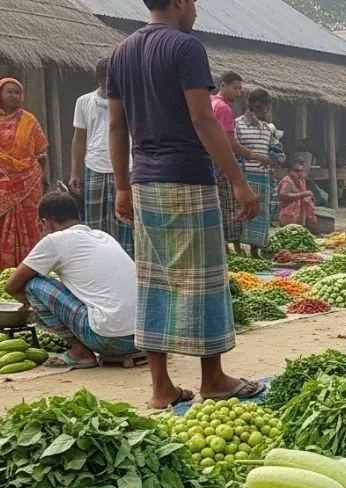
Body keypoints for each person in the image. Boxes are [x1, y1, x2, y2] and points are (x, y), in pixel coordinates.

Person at [107, 0, 263, 408]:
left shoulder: (121, 52)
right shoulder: (185, 46)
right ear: (178, 2)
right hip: (187, 177)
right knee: (205, 279)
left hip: (145, 181)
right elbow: (202, 119)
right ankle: (212, 378)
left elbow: (116, 125)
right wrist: (239, 182)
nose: (195, 9)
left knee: (155, 280)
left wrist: (122, 187)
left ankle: (161, 387)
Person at [5, 191, 137, 368]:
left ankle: (80, 352)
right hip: (143, 338)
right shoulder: (103, 236)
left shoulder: (54, 241)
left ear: (46, 222)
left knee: (34, 284)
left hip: (109, 340)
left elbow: (12, 286)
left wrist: (29, 304)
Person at [0, 78, 48, 275]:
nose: (14, 96)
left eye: (17, 92)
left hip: (27, 183)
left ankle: (27, 268)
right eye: (9, 92)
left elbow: (42, 154)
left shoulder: (29, 120)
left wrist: (40, 178)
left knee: (28, 223)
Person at [71, 57, 130, 257]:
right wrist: (74, 172)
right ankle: (98, 259)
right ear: (99, 79)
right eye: (108, 79)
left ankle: (126, 260)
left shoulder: (130, 101)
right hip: (95, 165)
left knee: (124, 221)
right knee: (95, 222)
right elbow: (79, 139)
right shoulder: (84, 101)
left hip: (125, 167)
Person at [211, 71, 267, 249]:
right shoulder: (224, 108)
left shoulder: (210, 102)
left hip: (209, 163)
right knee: (231, 208)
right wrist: (256, 155)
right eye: (235, 88)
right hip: (222, 166)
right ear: (223, 85)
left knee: (217, 207)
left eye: (240, 89)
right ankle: (228, 248)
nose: (238, 92)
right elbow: (231, 144)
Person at [235, 88, 276, 257]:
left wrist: (273, 159)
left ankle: (255, 250)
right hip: (245, 176)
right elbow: (234, 151)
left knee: (261, 213)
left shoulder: (268, 128)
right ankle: (237, 247)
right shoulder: (238, 124)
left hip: (263, 177)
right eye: (263, 106)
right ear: (254, 106)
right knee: (242, 211)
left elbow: (273, 150)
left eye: (268, 107)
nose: (266, 110)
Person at [278, 160, 316, 229]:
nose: (300, 173)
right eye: (296, 171)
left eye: (301, 171)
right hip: (288, 213)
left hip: (300, 213)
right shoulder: (287, 180)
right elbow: (283, 195)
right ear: (290, 171)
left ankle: (303, 223)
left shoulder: (301, 180)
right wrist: (302, 194)